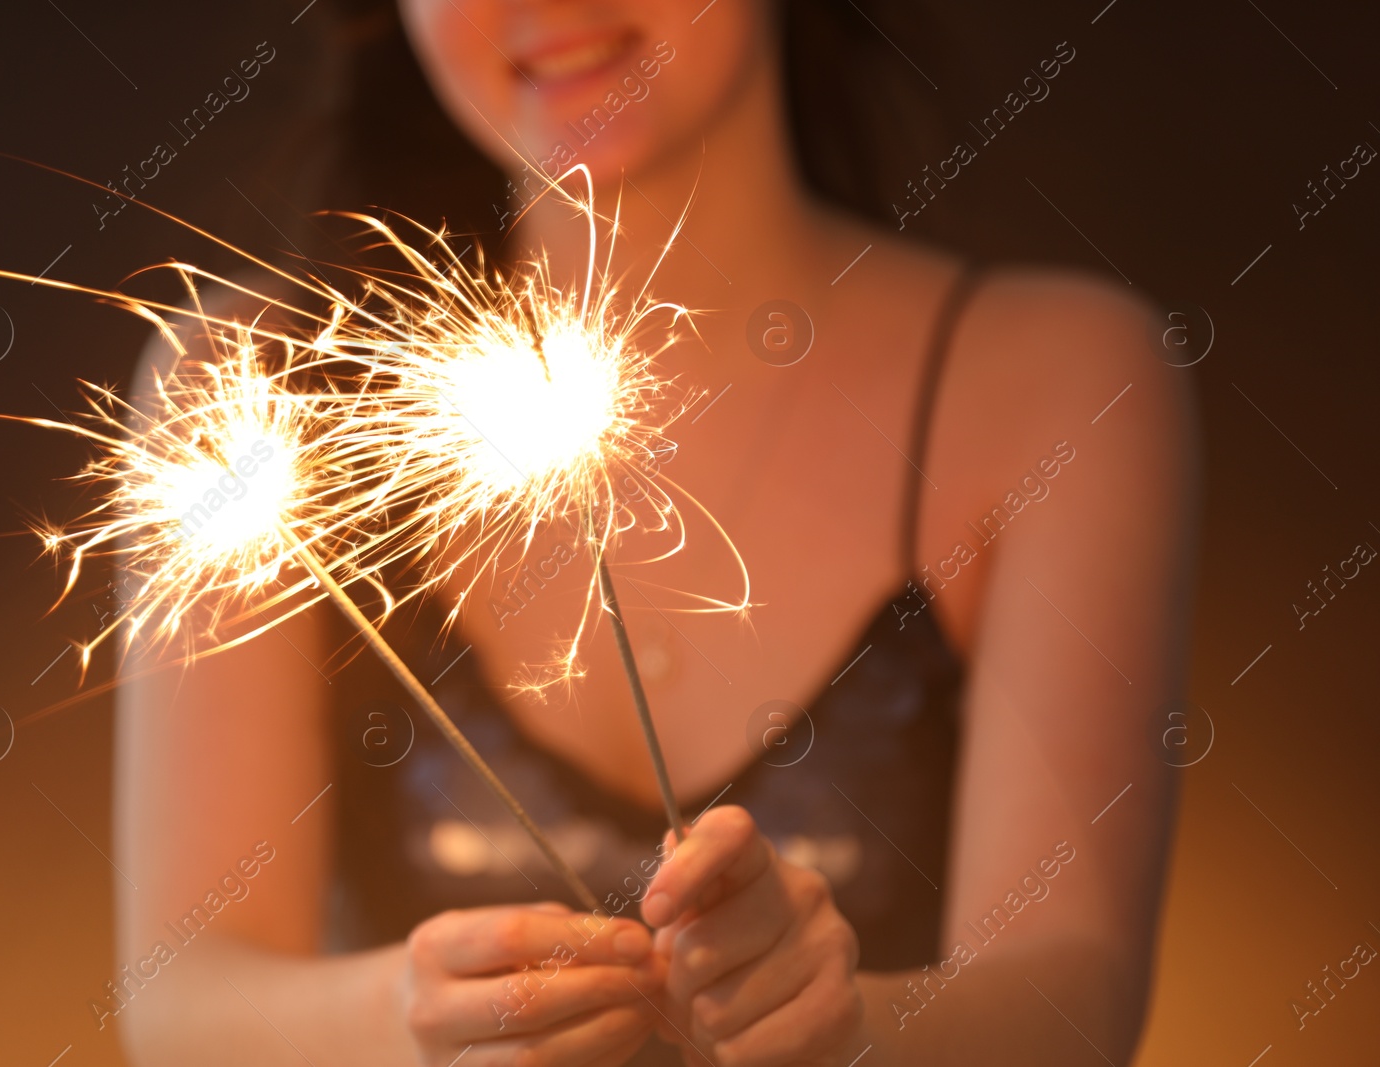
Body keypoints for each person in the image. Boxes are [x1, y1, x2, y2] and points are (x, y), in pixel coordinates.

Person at [111, 1, 1198, 1063]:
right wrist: (407, 1015)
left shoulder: (1056, 383)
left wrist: (848, 1031)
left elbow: (1070, 996)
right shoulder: (254, 391)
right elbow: (181, 995)